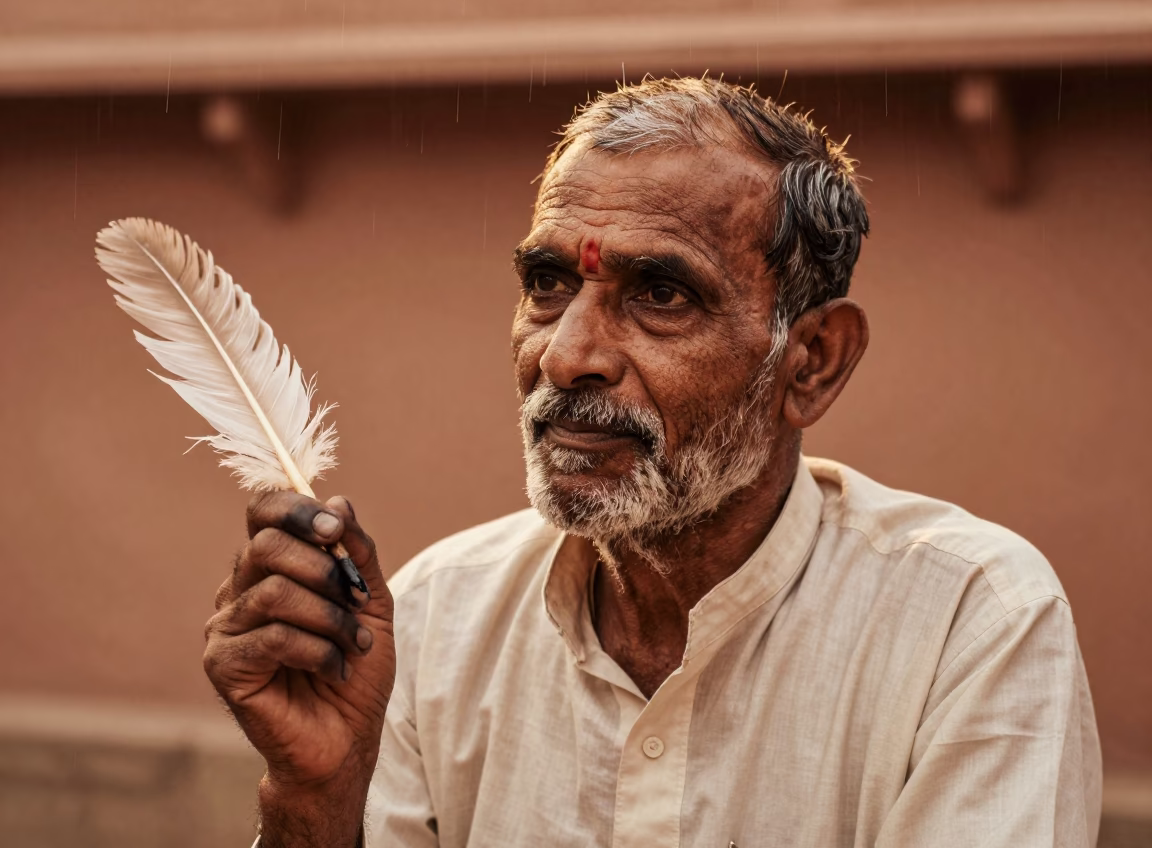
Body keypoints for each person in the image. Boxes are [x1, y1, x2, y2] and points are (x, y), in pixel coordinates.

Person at [203, 77, 1102, 847]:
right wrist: (314, 804)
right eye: (549, 284)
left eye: (662, 294)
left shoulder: (970, 623)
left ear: (813, 362)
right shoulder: (436, 619)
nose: (564, 356)